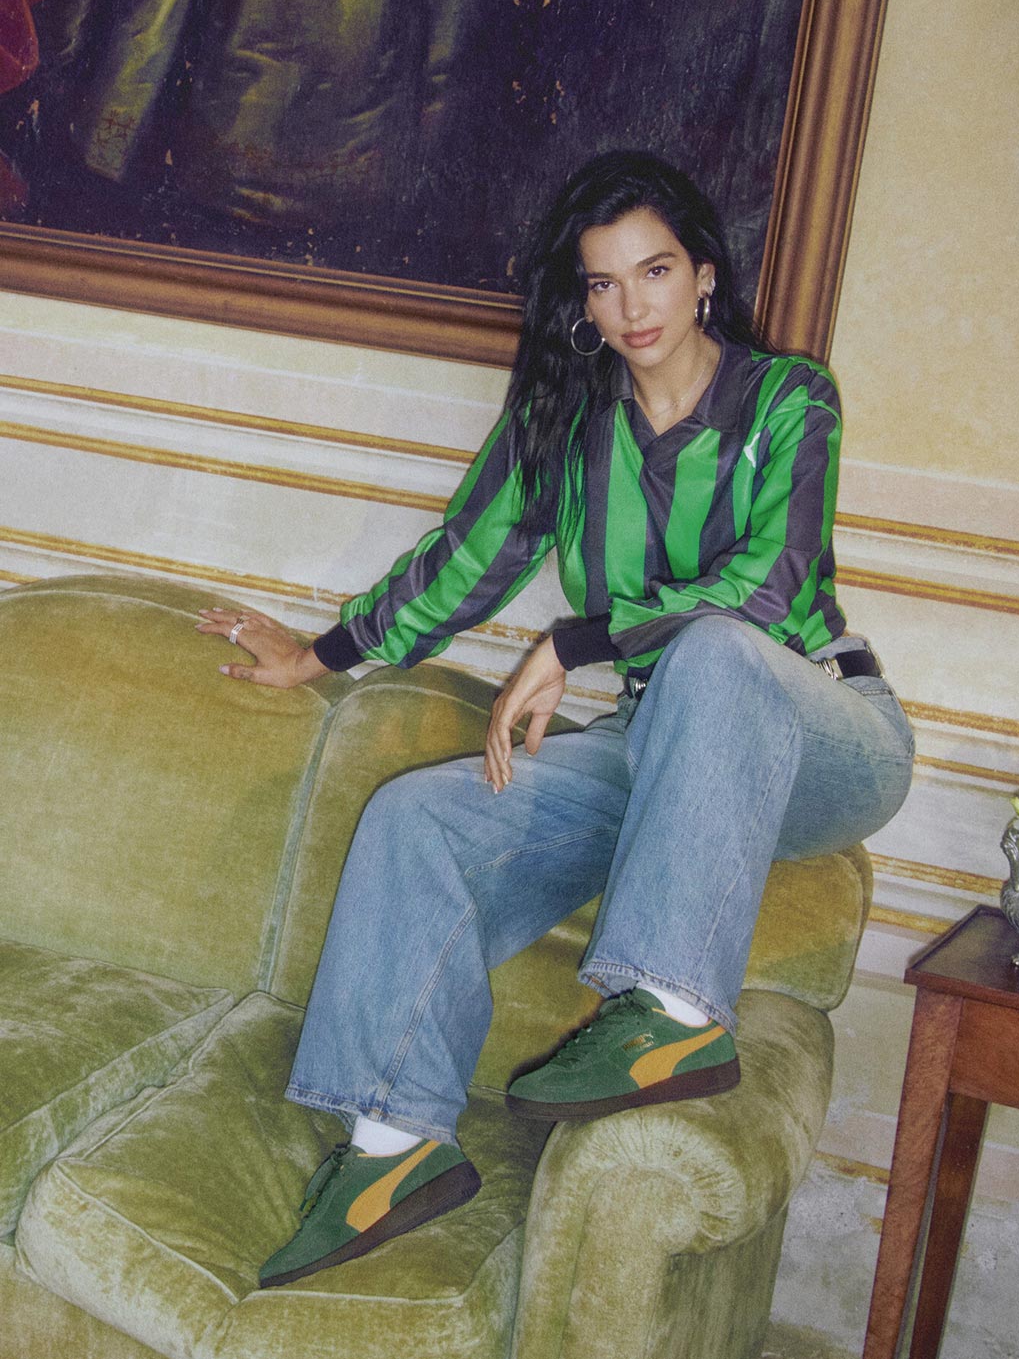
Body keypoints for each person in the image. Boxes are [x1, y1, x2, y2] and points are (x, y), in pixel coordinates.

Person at [196, 150, 915, 1290]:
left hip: (822, 729)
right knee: (420, 818)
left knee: (717, 653)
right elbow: (466, 558)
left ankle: (671, 1010)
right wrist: (323, 653)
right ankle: (391, 1144)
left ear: (705, 276)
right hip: (662, 740)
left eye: (655, 271)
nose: (631, 306)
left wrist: (578, 641)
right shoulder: (567, 420)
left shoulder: (788, 398)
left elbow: (767, 588)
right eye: (602, 283)